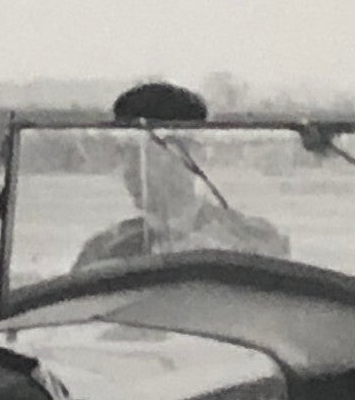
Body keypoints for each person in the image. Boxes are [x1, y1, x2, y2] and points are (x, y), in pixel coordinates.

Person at [71, 81, 288, 269]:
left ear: (190, 152)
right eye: (125, 152)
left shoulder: (253, 242)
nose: (129, 168)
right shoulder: (103, 251)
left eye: (143, 152)